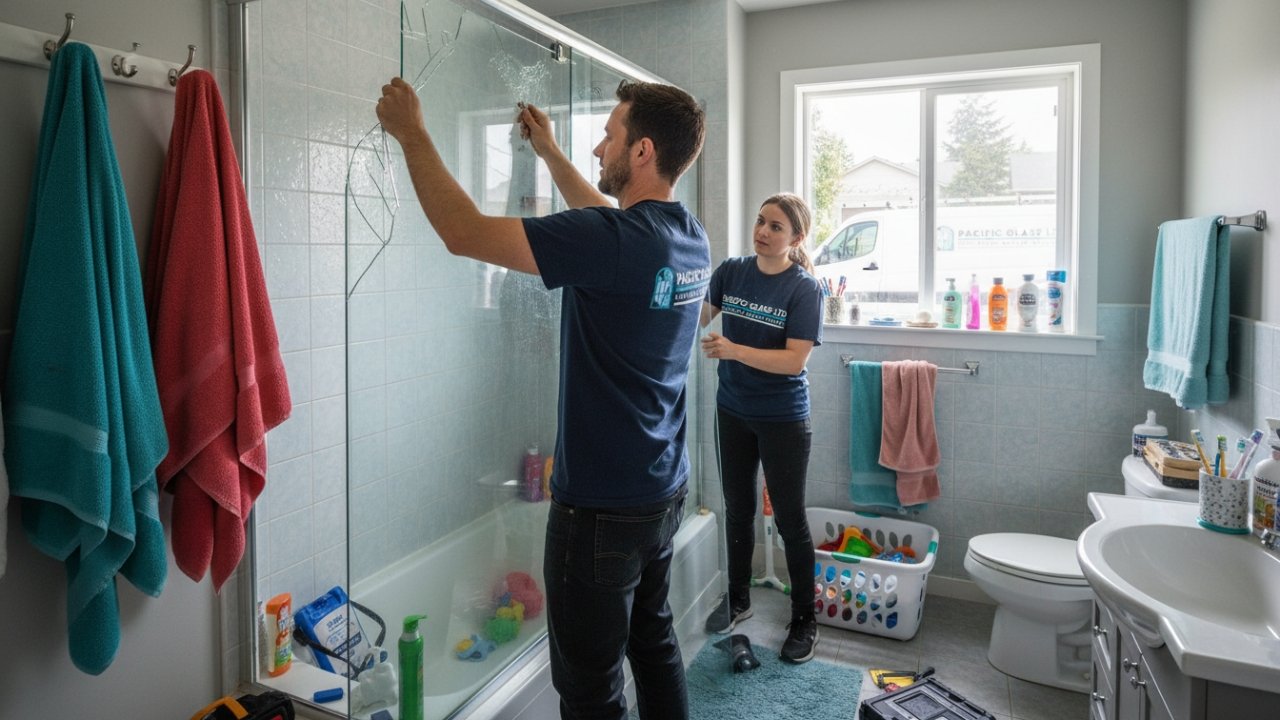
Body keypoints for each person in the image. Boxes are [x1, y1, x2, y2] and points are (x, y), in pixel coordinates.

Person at [377, 77, 709, 720]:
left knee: (590, 693)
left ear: (641, 152)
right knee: (654, 643)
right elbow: (606, 225)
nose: (598, 150)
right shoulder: (683, 236)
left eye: (609, 136)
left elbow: (462, 231)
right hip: (661, 490)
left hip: (600, 513)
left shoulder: (612, 242)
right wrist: (550, 152)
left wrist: (412, 132)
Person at [699, 193, 824, 663]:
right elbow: (695, 314)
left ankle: (804, 620)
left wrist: (734, 350)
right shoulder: (732, 271)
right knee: (737, 508)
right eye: (760, 221)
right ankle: (739, 600)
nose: (763, 231)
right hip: (732, 409)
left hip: (783, 417)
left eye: (775, 226)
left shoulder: (804, 289)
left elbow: (794, 361)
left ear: (796, 238)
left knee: (791, 520)